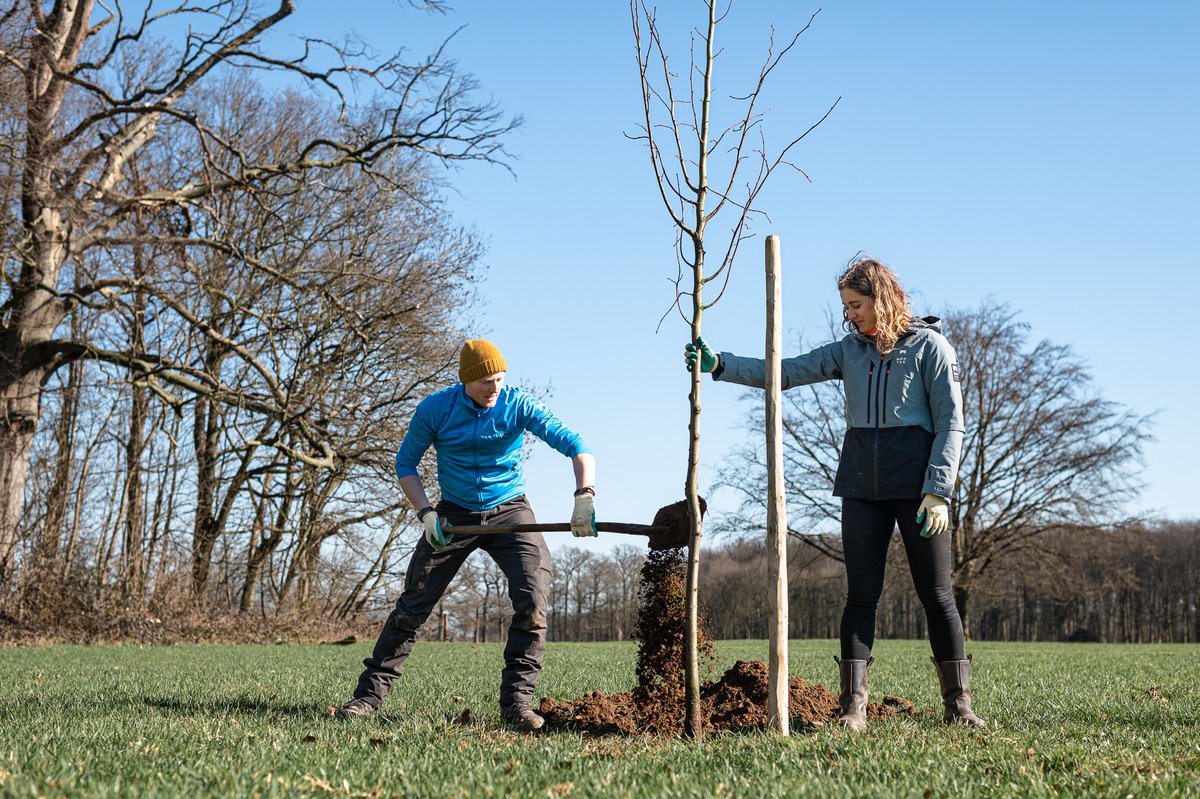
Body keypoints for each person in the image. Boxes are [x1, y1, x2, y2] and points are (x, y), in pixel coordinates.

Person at [684, 256, 985, 731]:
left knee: (938, 596)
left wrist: (939, 491)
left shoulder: (931, 348)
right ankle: (853, 707)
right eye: (846, 307)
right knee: (860, 597)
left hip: (918, 489)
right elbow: (784, 372)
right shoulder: (848, 351)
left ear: (881, 299)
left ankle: (959, 705)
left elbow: (952, 423)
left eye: (857, 305)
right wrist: (721, 365)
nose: (851, 315)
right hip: (862, 485)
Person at [338, 339, 597, 731]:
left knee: (533, 596)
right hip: (453, 514)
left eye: (499, 379)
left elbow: (577, 446)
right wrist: (426, 513)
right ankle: (367, 698)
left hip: (511, 510)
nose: (494, 388)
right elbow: (405, 464)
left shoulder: (517, 404)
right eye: (485, 382)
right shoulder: (435, 409)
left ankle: (517, 706)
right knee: (413, 604)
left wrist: (584, 497)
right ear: (465, 381)